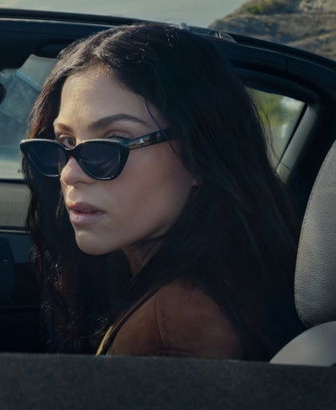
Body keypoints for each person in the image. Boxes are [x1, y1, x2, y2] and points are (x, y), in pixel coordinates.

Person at [19, 23, 303, 360]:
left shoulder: (175, 331)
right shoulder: (232, 277)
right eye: (66, 140)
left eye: (115, 140)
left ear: (200, 155)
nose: (69, 173)